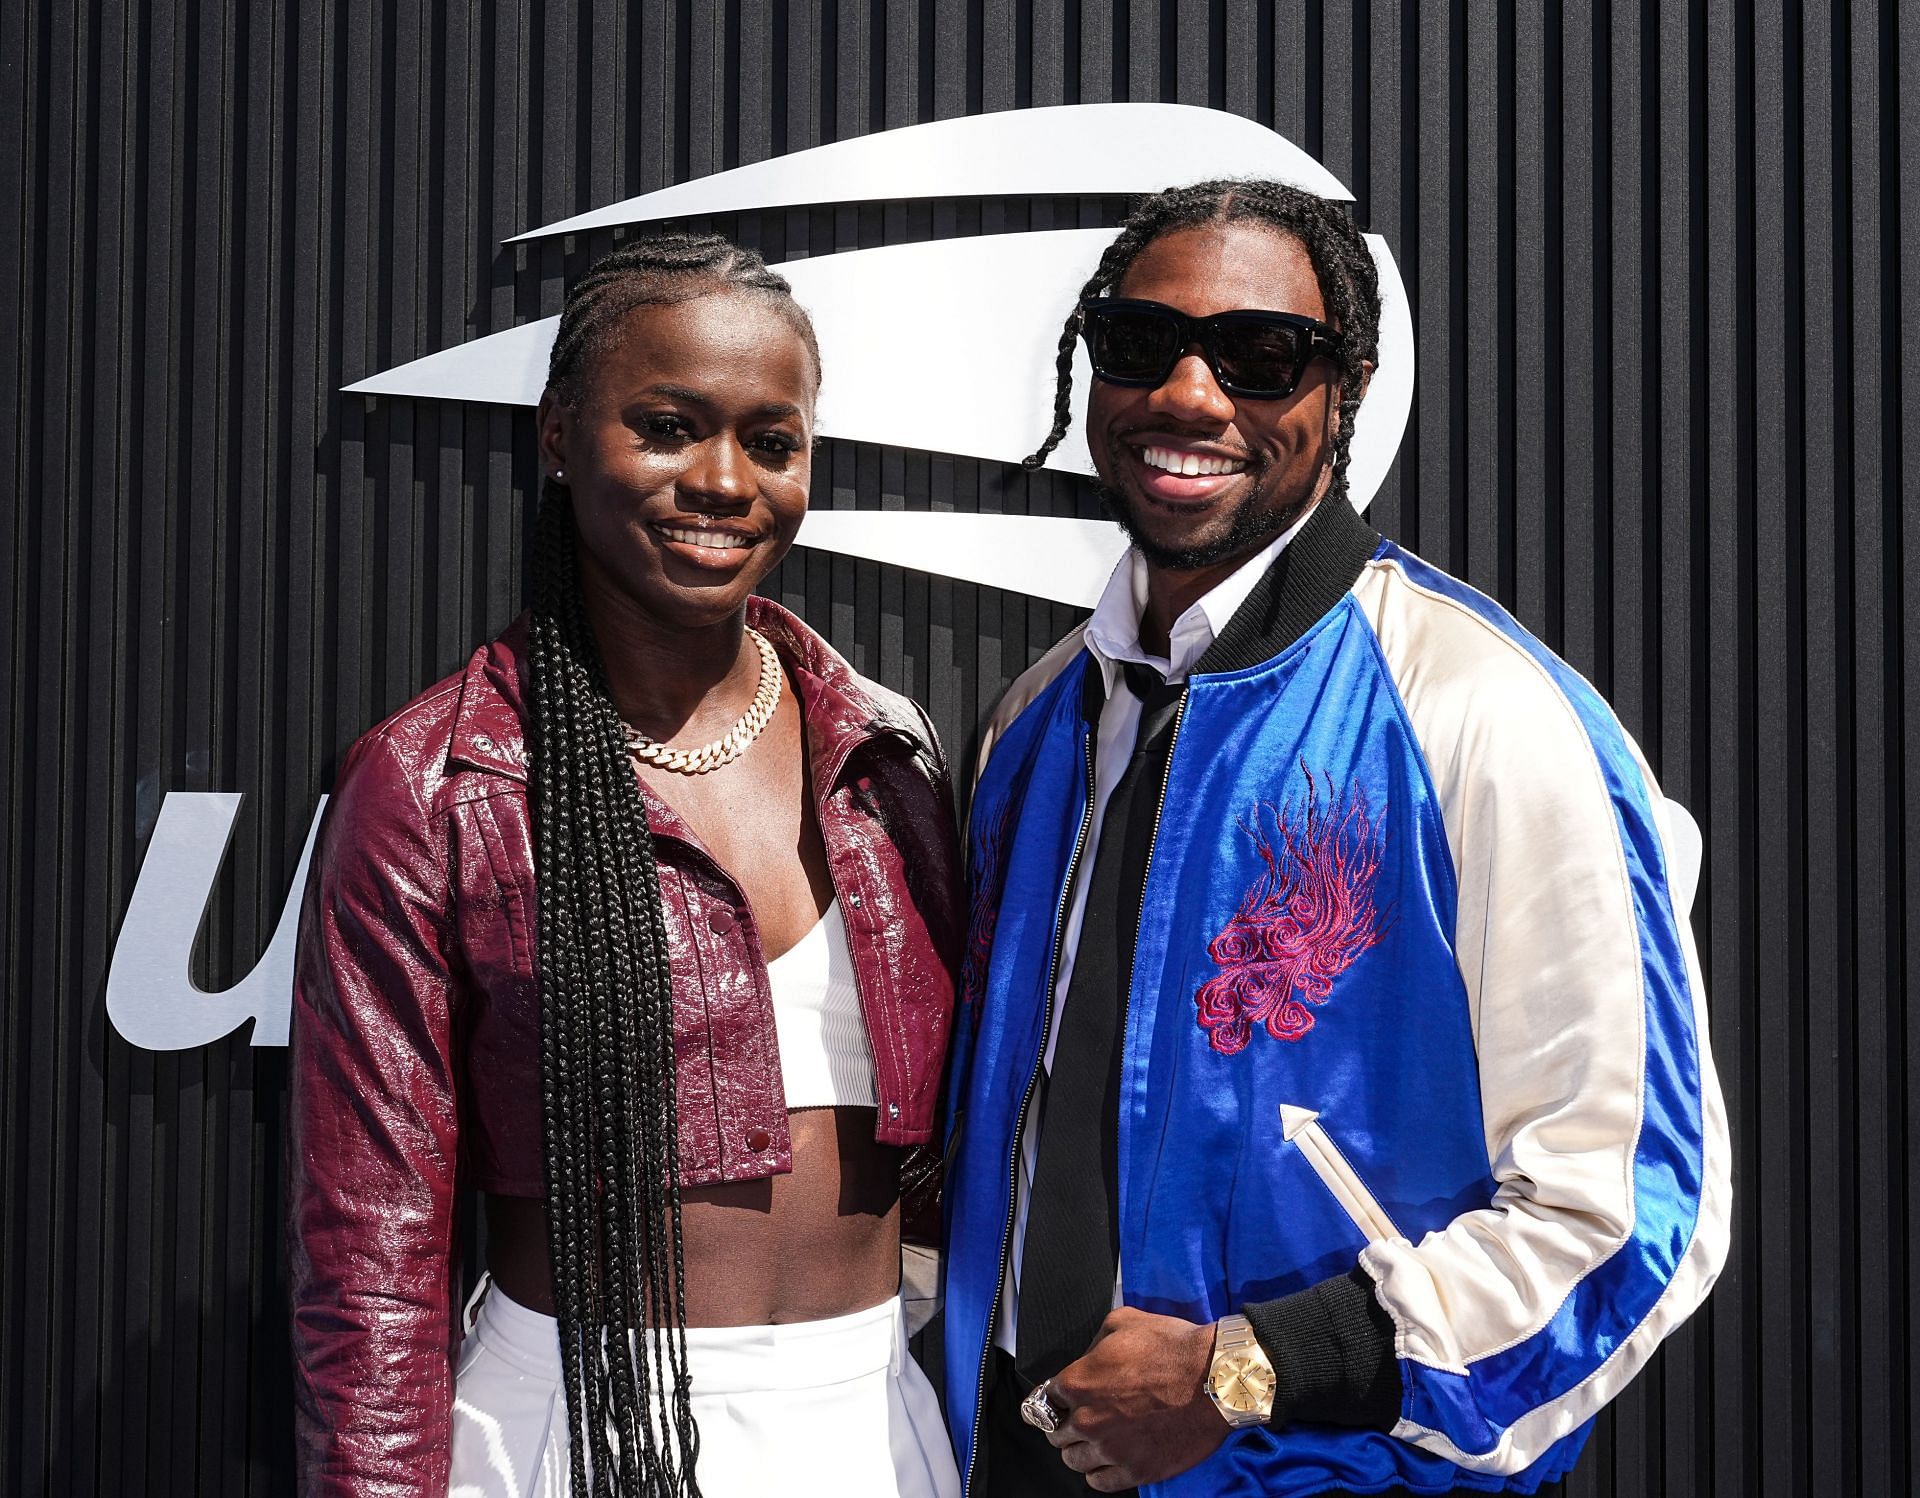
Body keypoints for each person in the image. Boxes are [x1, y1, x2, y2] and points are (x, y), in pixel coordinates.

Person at [942, 180, 1731, 1497]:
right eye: (1145, 342)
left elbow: (1630, 1213)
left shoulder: (1482, 713)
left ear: (1344, 389)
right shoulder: (1033, 725)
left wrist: (1250, 1368)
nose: (1191, 395)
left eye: (1260, 355)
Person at [289, 233, 963, 1498]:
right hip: (579, 1427)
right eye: (666, 425)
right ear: (557, 438)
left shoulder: (885, 751)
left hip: (875, 1422)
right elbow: (370, 1251)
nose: (724, 480)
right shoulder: (437, 779)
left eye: (773, 440)